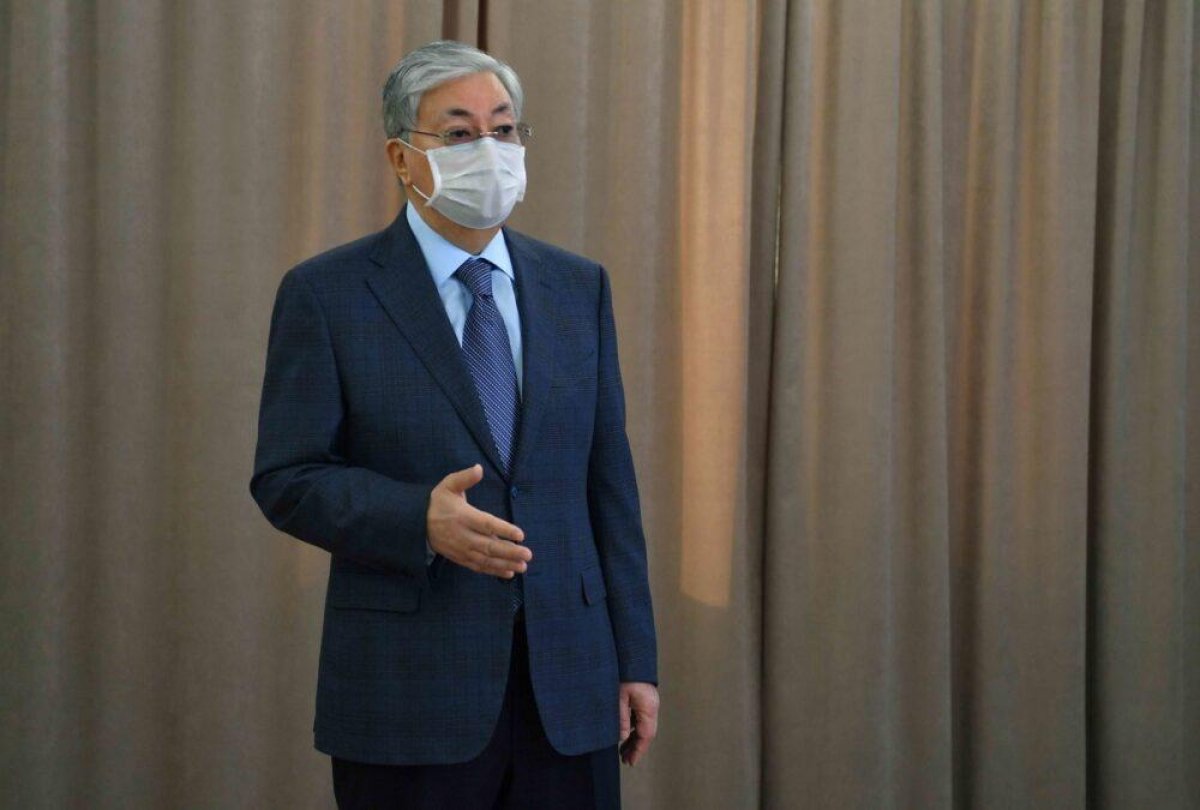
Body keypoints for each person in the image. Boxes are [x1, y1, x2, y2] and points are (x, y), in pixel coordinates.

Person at [250, 40, 658, 809]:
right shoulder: (328, 294)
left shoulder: (578, 288)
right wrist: (418, 519)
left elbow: (610, 487)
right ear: (402, 159)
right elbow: (286, 478)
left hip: (570, 688)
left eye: (503, 129)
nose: (490, 151)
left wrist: (635, 658)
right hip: (409, 695)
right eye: (460, 133)